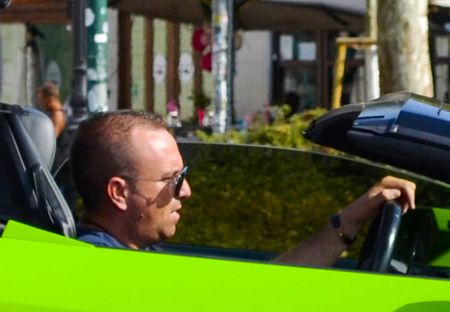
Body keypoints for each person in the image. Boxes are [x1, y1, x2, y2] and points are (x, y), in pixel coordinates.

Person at [69, 110, 413, 268]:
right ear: (118, 193)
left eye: (183, 175)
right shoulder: (106, 270)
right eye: (171, 180)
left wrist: (348, 221)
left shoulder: (127, 258)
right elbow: (259, 298)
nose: (185, 190)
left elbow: (258, 290)